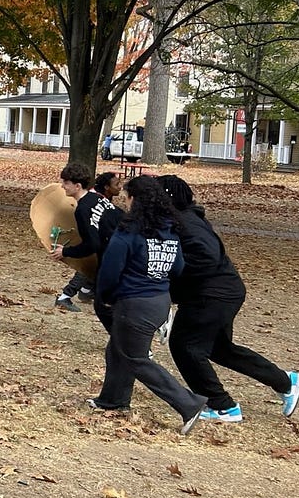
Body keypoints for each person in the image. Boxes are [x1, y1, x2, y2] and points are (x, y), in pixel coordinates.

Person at [158, 174, 299, 421]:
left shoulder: (187, 223)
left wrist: (175, 277)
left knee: (186, 347)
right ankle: (285, 381)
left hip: (213, 295)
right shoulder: (184, 220)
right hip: (222, 291)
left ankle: (222, 406)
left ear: (166, 198)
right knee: (219, 349)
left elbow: (207, 256)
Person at [90, 175, 206, 433]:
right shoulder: (170, 230)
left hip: (134, 304)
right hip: (159, 301)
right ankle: (112, 400)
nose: (125, 203)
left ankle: (189, 403)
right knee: (118, 349)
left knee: (136, 358)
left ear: (135, 200)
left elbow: (110, 269)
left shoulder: (128, 231)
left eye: (126, 198)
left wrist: (104, 295)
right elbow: (178, 267)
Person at [49, 163, 120, 327]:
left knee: (106, 305)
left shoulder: (82, 210)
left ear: (77, 186)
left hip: (116, 256)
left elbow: (91, 245)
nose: (62, 186)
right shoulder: (97, 198)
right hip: (123, 248)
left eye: (66, 183)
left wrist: (65, 252)